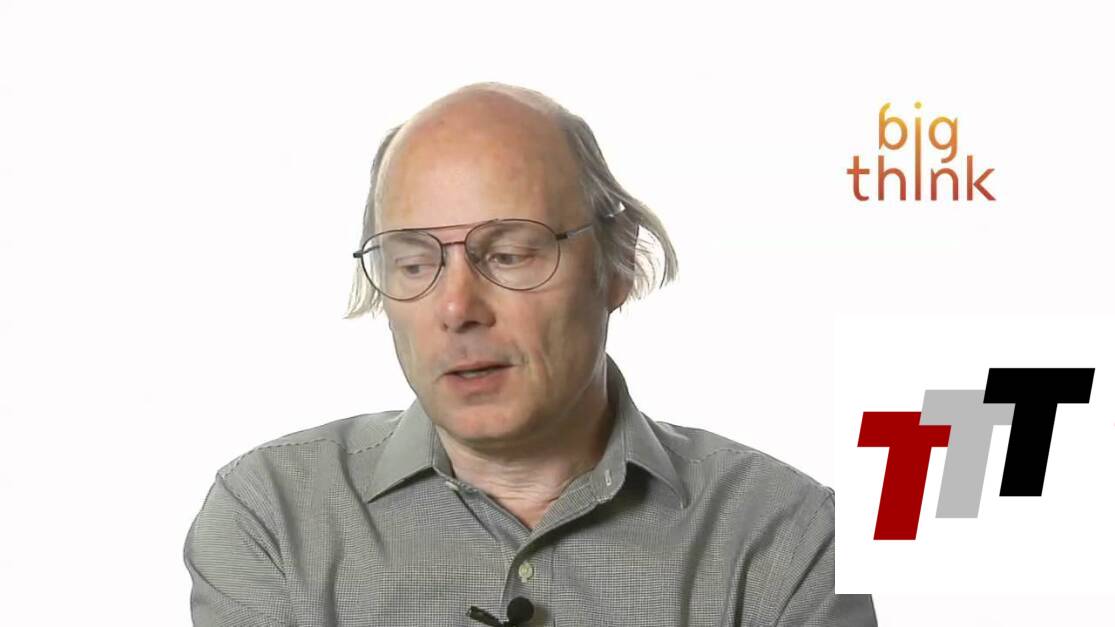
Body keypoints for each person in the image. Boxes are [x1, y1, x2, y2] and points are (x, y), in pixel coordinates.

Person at [183, 82, 877, 626]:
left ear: (617, 264)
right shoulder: (273, 517)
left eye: (510, 254)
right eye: (414, 263)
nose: (457, 308)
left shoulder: (786, 539)